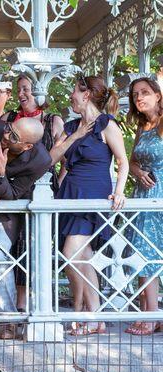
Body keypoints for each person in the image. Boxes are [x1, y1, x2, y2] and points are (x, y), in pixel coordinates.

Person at [50, 74, 128, 336]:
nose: (71, 96)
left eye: (74, 91)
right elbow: (50, 160)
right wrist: (75, 137)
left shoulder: (107, 125)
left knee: (71, 254)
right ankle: (94, 318)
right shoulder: (70, 127)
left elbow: (123, 162)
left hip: (95, 194)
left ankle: (88, 314)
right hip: (69, 194)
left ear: (86, 94)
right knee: (82, 257)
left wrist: (119, 192)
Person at [0, 118, 51, 339]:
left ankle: (8, 318)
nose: (5, 136)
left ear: (27, 146)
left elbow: (13, 193)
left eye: (13, 137)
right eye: (8, 129)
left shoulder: (40, 160)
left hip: (11, 204)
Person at [1, 74, 65, 311]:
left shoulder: (52, 120)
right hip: (13, 190)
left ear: (39, 90)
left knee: (36, 245)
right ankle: (16, 305)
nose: (21, 94)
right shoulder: (10, 118)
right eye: (18, 89)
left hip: (43, 190)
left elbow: (64, 159)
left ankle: (40, 303)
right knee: (15, 245)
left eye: (26, 89)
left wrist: (56, 181)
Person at [125, 77, 163, 335]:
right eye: (136, 94)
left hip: (160, 194)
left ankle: (152, 314)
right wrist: (137, 173)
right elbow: (131, 161)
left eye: (146, 92)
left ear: (158, 95)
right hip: (142, 194)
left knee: (152, 252)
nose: (140, 97)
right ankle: (147, 312)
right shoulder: (143, 126)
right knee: (141, 251)